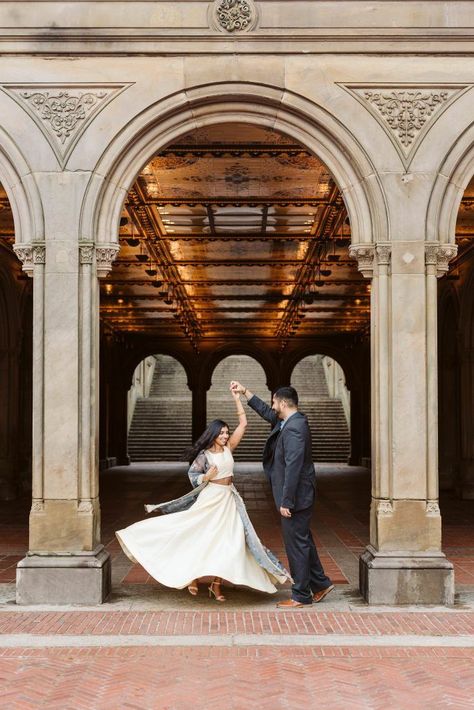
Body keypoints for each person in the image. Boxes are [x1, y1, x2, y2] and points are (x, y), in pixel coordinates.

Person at [116, 388, 291, 602]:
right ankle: (192, 577)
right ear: (213, 434)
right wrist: (206, 477)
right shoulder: (204, 455)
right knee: (200, 539)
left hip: (229, 500)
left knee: (229, 543)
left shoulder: (229, 448)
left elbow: (244, 424)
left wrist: (238, 399)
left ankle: (216, 586)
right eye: (222, 433)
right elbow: (193, 476)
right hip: (210, 501)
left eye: (227, 432)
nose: (226, 436)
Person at [230, 381, 334, 608]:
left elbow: (294, 465)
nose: (273, 405)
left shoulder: (295, 428)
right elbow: (268, 413)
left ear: (284, 403)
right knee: (302, 539)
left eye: (275, 401)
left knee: (296, 545)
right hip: (299, 494)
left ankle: (300, 595)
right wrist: (245, 391)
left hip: (297, 497)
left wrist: (287, 500)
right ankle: (321, 584)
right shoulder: (290, 420)